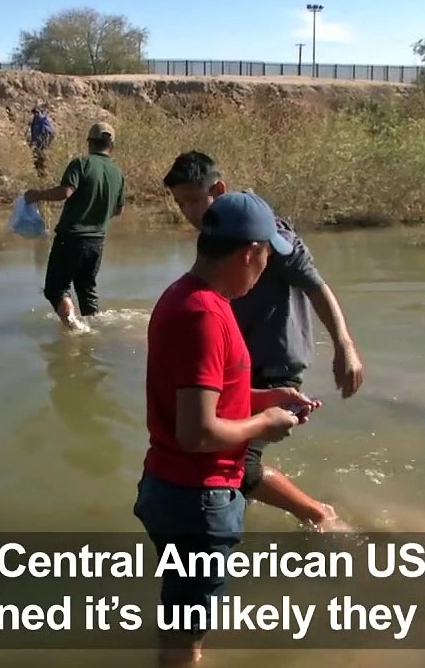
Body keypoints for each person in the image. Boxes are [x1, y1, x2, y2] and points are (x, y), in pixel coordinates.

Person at [135, 190, 322, 667]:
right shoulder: (203, 315)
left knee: (182, 617)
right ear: (251, 253)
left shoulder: (192, 298)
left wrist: (267, 399)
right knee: (184, 646)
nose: (264, 272)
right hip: (197, 498)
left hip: (177, 491)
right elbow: (196, 433)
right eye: (265, 260)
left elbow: (206, 400)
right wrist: (266, 422)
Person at [162, 150, 365, 533]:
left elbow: (317, 287)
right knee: (225, 457)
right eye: (181, 203)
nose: (188, 212)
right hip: (233, 363)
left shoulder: (269, 235)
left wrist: (345, 346)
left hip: (273, 363)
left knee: (240, 466)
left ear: (217, 189)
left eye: (194, 200)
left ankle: (318, 514)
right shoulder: (215, 243)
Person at [24, 122, 124, 331]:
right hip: (97, 241)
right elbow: (117, 210)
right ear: (111, 145)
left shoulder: (81, 164)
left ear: (89, 142)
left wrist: (37, 195)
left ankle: (75, 329)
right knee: (86, 289)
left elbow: (66, 191)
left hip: (71, 238)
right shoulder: (117, 173)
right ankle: (94, 328)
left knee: (55, 289)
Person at [28, 105, 55, 178]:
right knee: (37, 164)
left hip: (41, 145)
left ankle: (45, 180)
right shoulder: (35, 120)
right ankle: (40, 179)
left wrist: (46, 143)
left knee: (43, 164)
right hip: (36, 145)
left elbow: (51, 132)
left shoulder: (42, 119)